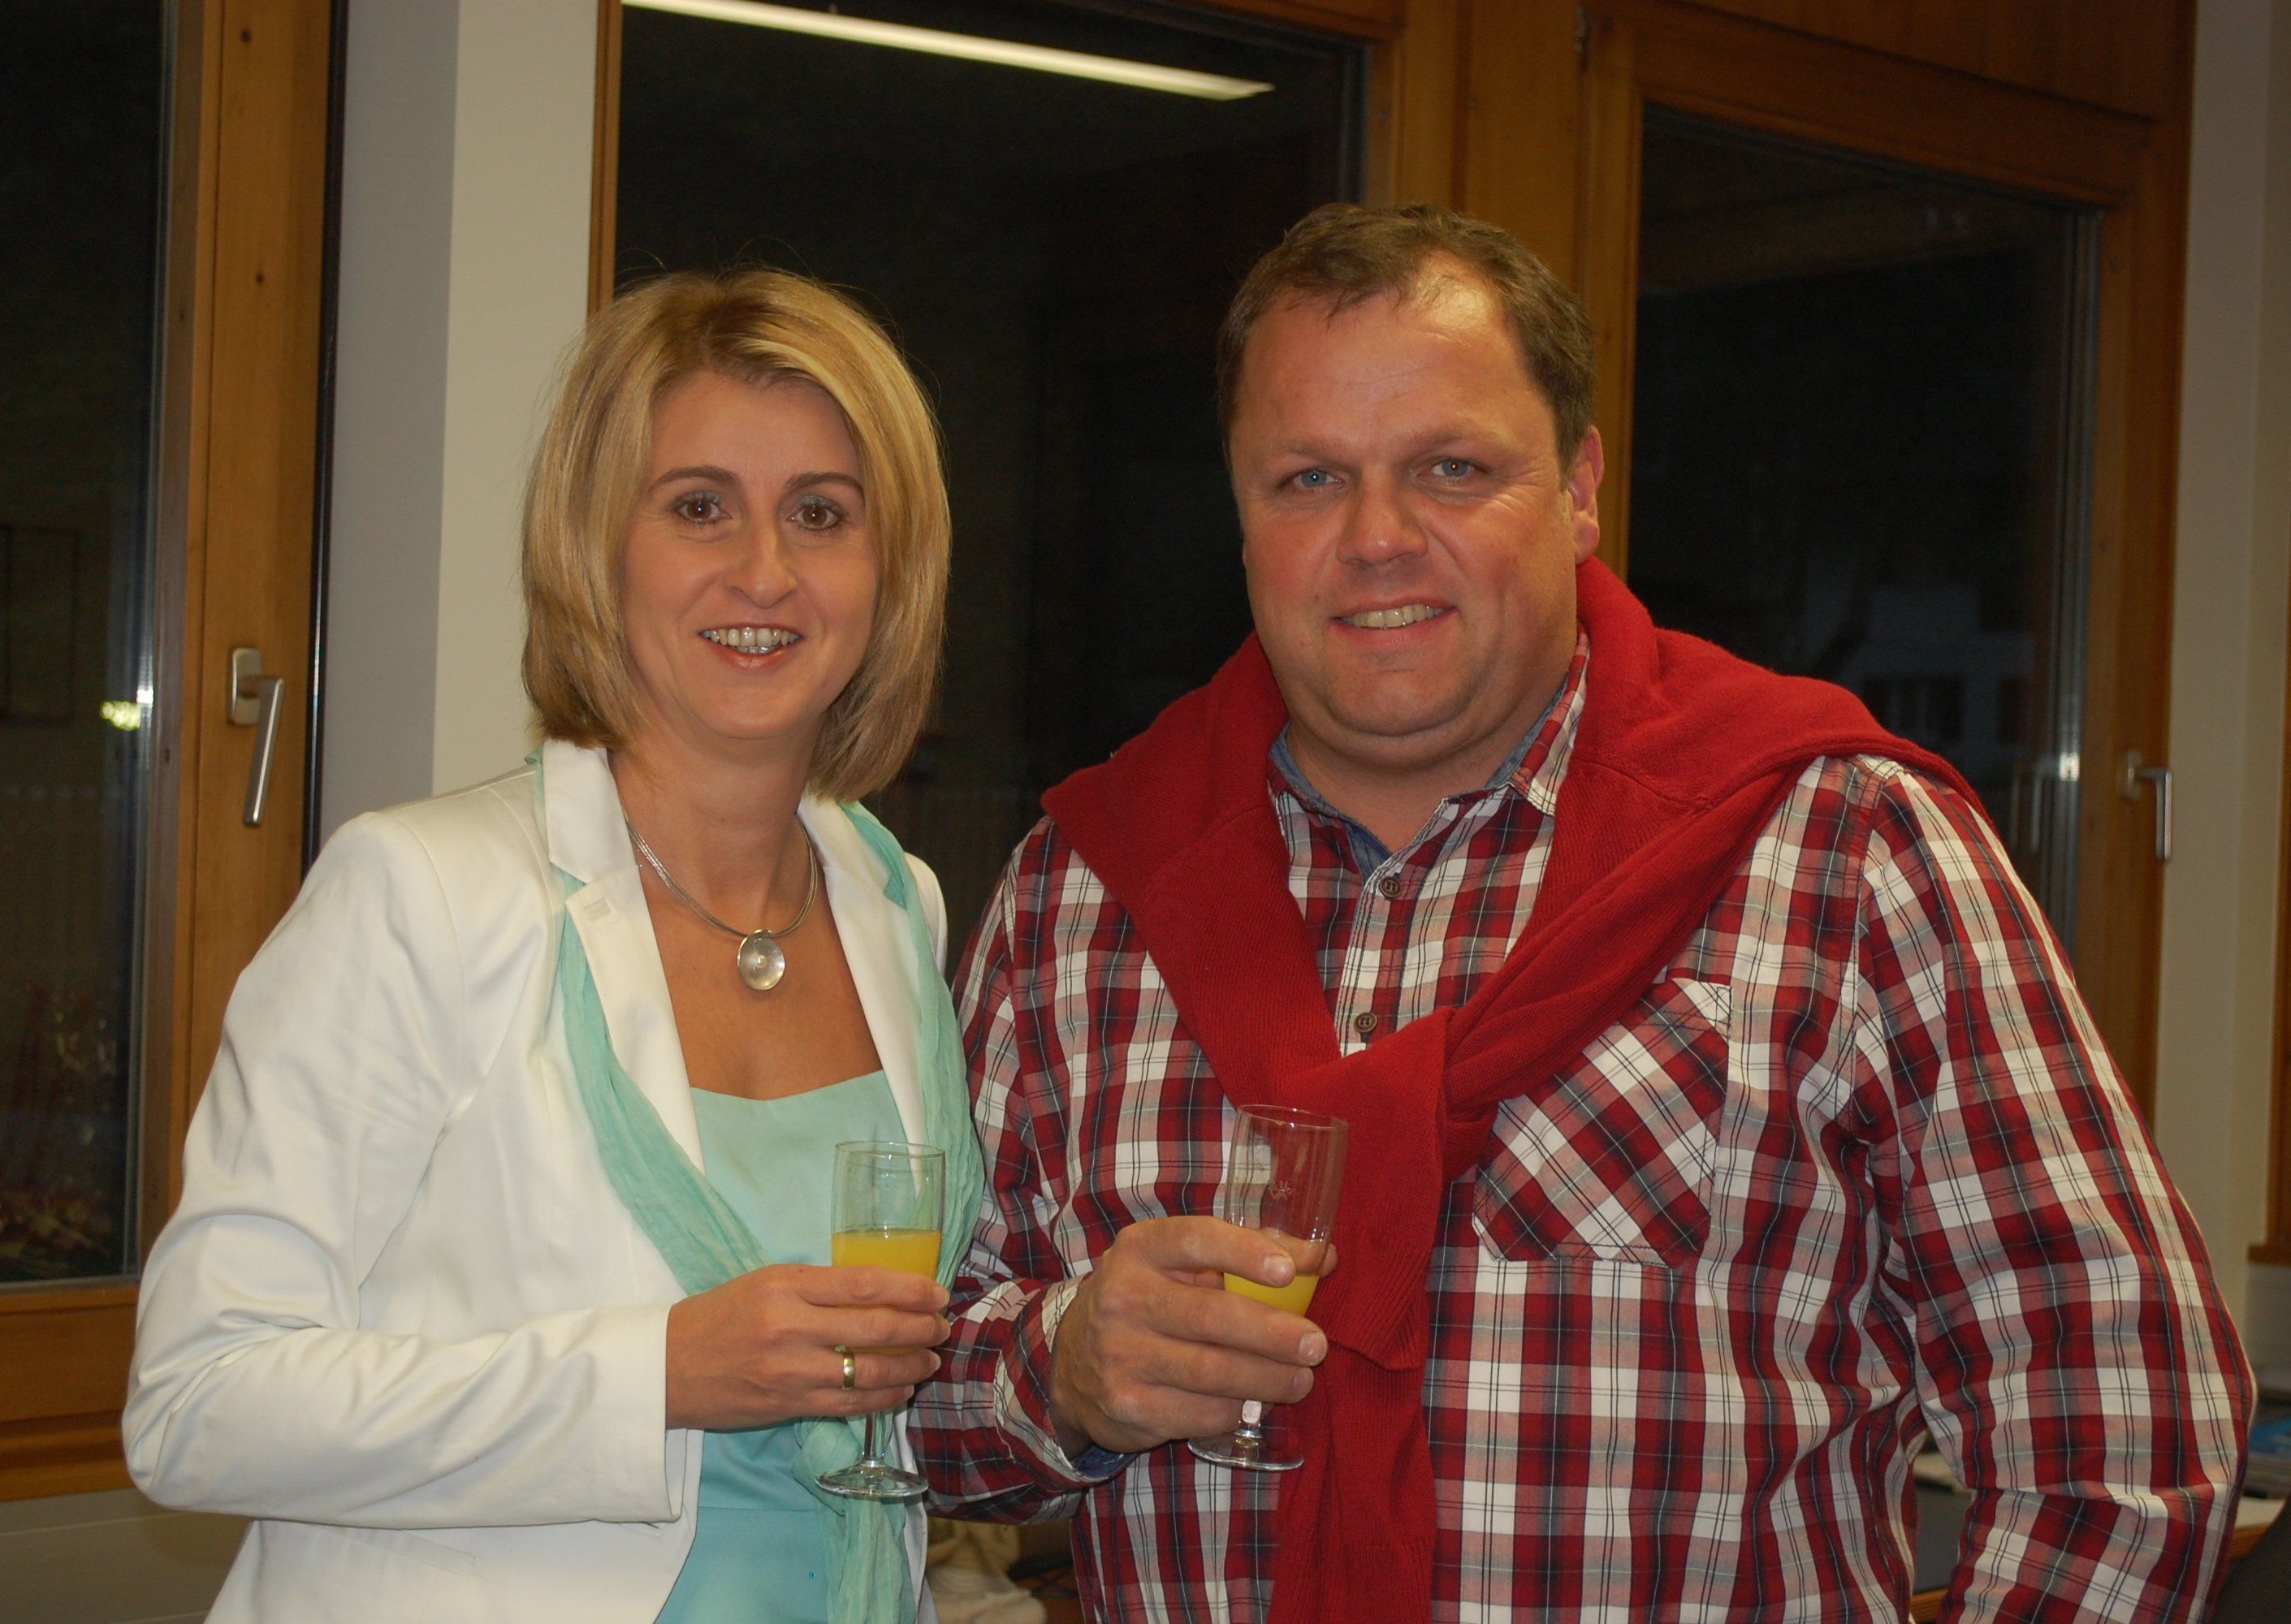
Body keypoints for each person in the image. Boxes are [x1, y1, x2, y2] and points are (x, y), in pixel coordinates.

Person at [913, 203, 2252, 1622]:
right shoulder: (1081, 894)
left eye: (1453, 468)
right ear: (1240, 513)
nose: (1377, 538)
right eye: (1308, 479)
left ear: (1580, 489)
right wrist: (1061, 1374)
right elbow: (898, 1411)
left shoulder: (1843, 848)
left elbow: (2125, 1421)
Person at [127, 268, 985, 1624]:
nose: (766, 570)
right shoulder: (421, 895)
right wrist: (654, 1376)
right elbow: (197, 1405)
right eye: (699, 506)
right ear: (598, 545)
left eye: (822, 513)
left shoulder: (895, 902)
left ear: (892, 570)